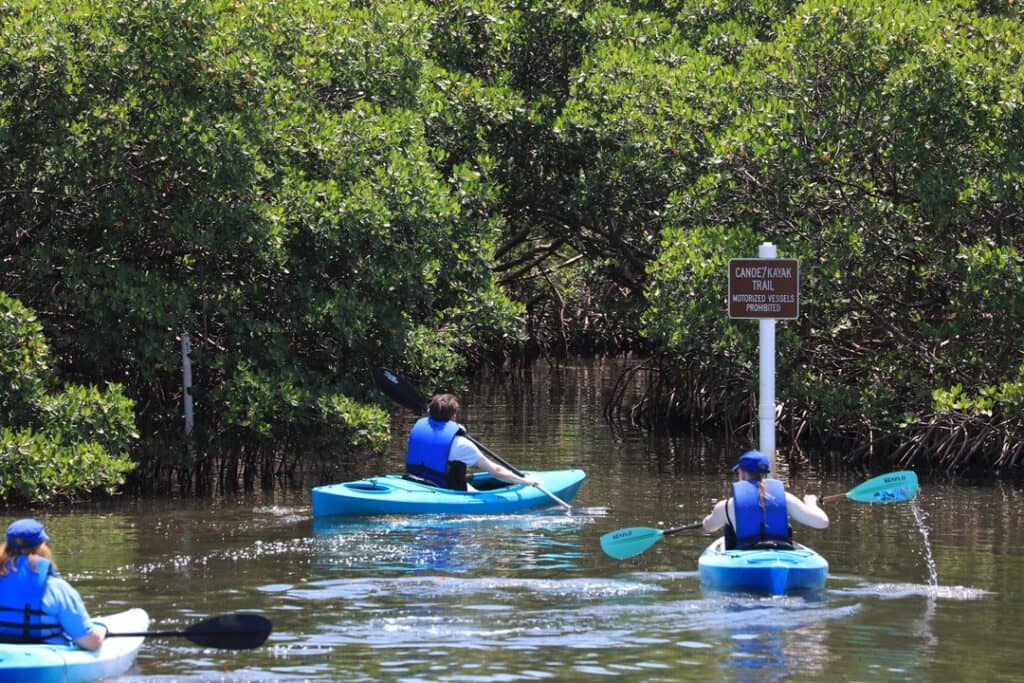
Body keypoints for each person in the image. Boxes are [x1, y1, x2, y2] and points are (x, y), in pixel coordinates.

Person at [0, 518, 107, 650]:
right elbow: (91, 643)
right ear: (42, 547)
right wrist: (102, 629)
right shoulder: (55, 587)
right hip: (43, 661)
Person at [406, 393, 540, 491]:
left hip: (414, 482)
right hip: (442, 489)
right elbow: (496, 471)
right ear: (453, 416)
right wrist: (524, 481)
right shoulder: (461, 444)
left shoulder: (417, 430)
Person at [702, 450, 829, 550]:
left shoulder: (726, 506)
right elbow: (823, 523)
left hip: (744, 559)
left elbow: (708, 527)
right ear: (765, 474)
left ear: (742, 473)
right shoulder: (786, 499)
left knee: (728, 527)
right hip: (780, 554)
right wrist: (811, 503)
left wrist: (725, 519)